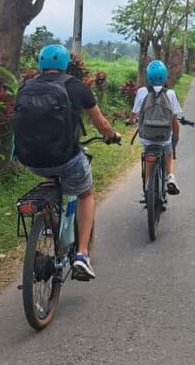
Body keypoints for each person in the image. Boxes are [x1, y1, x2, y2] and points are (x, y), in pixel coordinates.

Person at [14, 44, 120, 281]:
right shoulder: (76, 87)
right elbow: (101, 124)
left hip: (31, 159)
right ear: (65, 64)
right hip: (65, 159)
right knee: (86, 193)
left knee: (50, 177)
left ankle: (49, 222)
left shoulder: (26, 87)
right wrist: (112, 136)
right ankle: (82, 255)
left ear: (41, 64)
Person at [130, 60, 182, 195]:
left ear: (148, 76)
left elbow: (134, 113)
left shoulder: (142, 92)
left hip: (146, 137)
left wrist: (130, 120)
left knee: (148, 154)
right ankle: (170, 177)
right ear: (165, 76)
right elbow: (174, 121)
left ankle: (147, 186)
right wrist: (175, 137)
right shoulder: (170, 94)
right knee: (169, 152)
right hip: (164, 137)